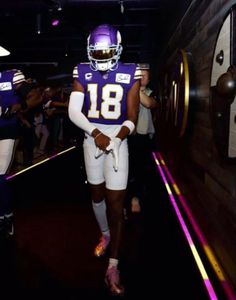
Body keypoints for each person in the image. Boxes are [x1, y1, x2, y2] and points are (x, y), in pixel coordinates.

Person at [68, 24, 141, 295]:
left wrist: (118, 138)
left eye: (107, 51)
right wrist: (96, 132)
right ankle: (106, 233)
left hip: (117, 140)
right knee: (97, 195)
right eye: (96, 52)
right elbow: (75, 111)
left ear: (118, 49)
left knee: (115, 201)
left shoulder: (130, 71)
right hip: (92, 137)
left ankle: (113, 265)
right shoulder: (82, 71)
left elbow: (132, 116)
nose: (101, 57)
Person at [0, 67, 42, 239]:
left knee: (0, 175)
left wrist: (21, 105)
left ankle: (6, 215)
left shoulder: (10, 76)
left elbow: (36, 96)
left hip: (6, 130)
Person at [127, 64, 158, 213]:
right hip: (129, 137)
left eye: (145, 75)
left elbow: (149, 103)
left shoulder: (151, 92)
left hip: (144, 137)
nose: (143, 77)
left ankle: (137, 197)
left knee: (142, 170)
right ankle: (129, 199)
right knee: (128, 169)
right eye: (140, 75)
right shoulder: (128, 93)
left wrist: (134, 89)